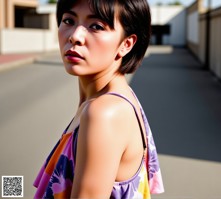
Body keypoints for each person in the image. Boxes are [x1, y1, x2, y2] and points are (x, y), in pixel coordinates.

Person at [33, 0, 164, 198]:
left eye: (96, 26)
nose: (75, 36)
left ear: (126, 44)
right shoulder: (110, 99)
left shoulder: (105, 113)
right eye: (68, 20)